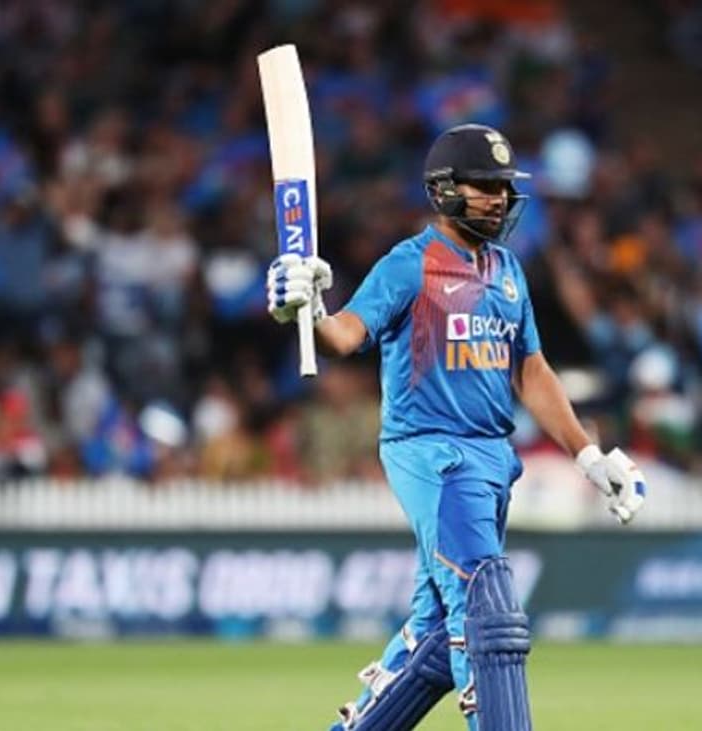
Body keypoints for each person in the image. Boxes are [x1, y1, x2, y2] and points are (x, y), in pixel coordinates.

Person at [265, 123, 647, 731]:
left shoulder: (507, 269)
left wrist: (587, 455)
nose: (499, 198)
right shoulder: (408, 265)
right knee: (486, 608)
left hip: (493, 458)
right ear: (444, 190)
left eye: (504, 187)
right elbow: (344, 335)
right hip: (432, 454)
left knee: (439, 639)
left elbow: (532, 370)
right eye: (484, 186)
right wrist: (307, 307)